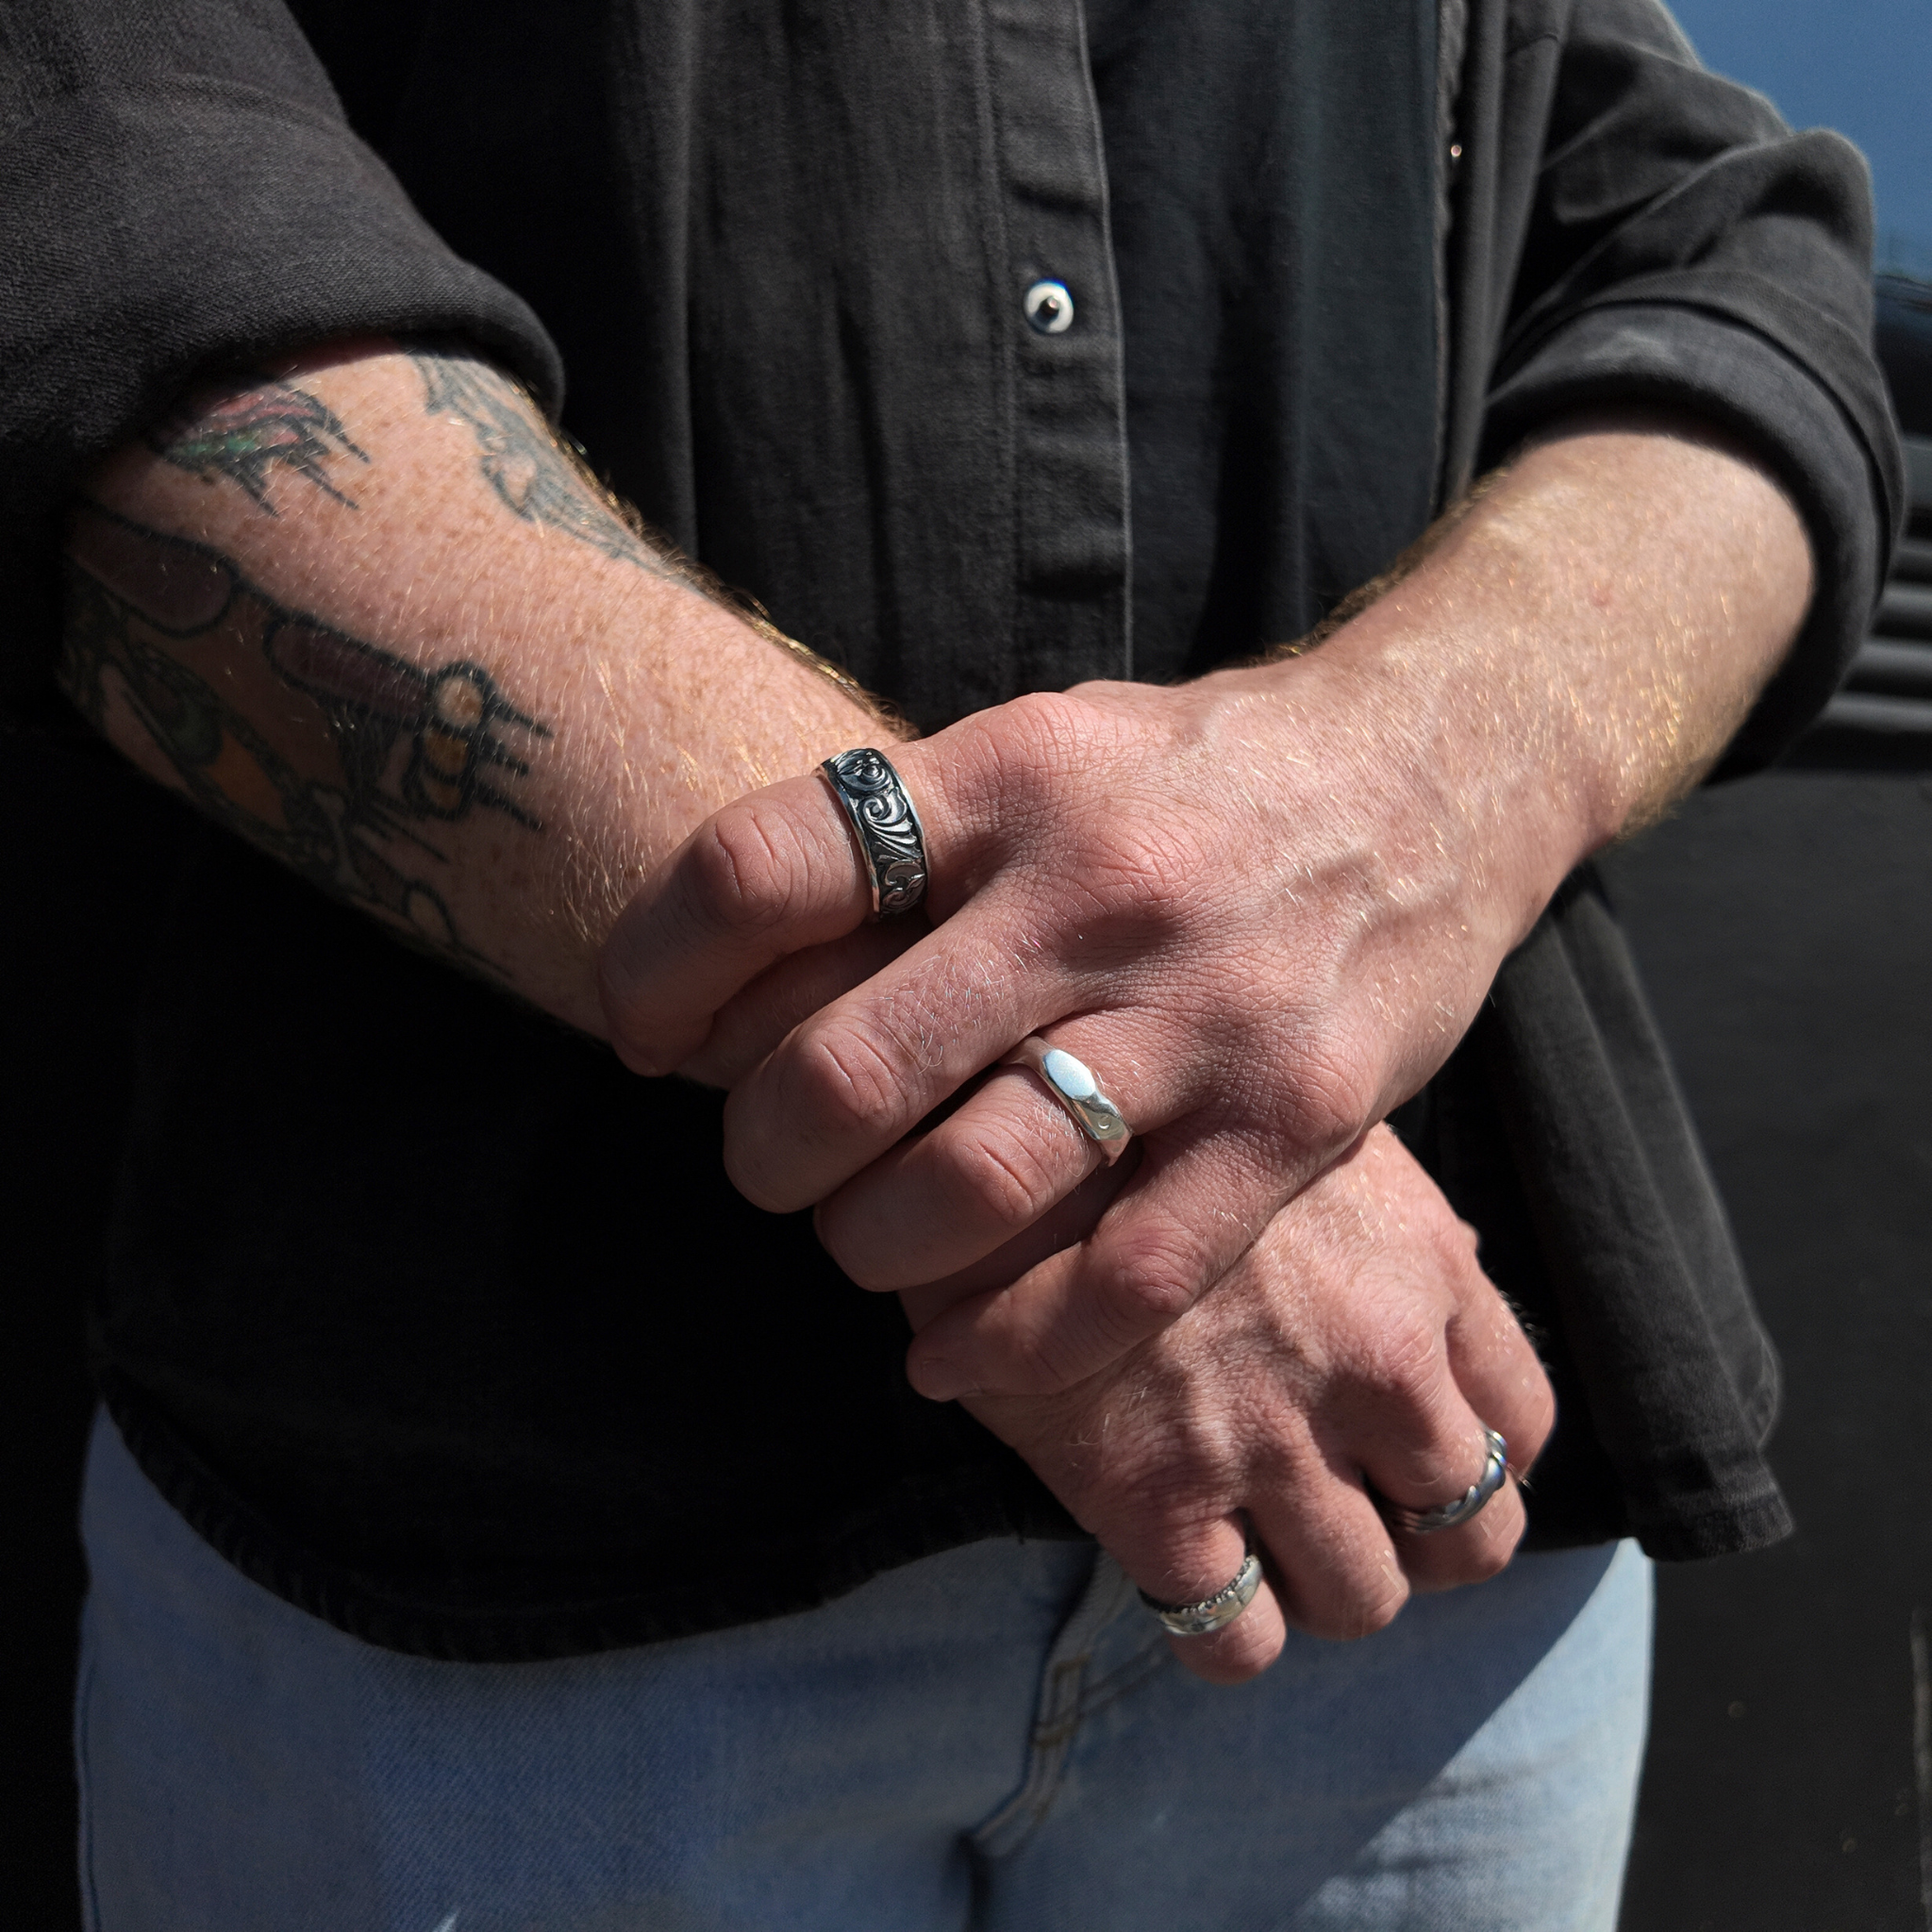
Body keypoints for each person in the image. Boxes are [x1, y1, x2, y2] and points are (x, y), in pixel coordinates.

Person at [4, 0, 1899, 1924]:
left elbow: (1731, 266)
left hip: (1399, 1518)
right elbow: (96, 195)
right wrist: (1128, 1161)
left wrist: (1414, 790)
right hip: (499, 1562)